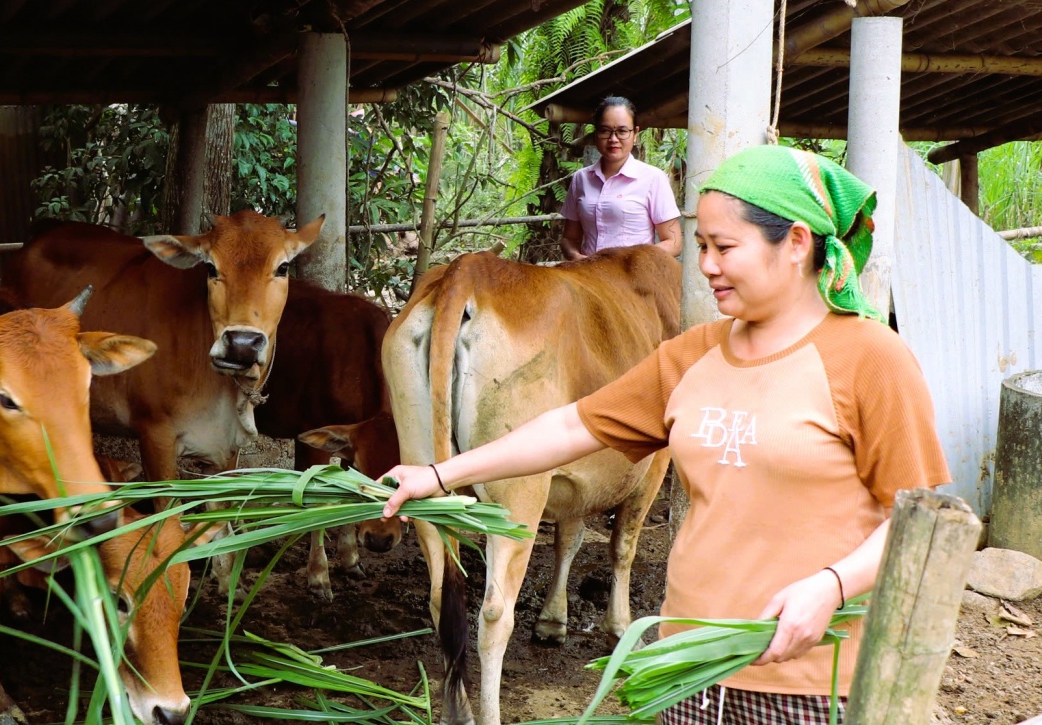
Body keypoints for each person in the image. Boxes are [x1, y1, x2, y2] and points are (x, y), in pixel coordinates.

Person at [380, 144, 951, 724]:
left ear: (797, 243)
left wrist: (832, 585)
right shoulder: (694, 354)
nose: (705, 266)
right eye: (700, 246)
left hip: (813, 683)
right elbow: (571, 425)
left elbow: (921, 518)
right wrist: (438, 474)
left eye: (724, 247)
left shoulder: (871, 358)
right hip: (687, 669)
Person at [559, 96, 683, 260]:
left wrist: (629, 263)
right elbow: (569, 238)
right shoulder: (580, 179)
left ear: (635, 134)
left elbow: (674, 243)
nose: (613, 139)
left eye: (622, 131)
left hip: (634, 275)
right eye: (605, 130)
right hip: (588, 273)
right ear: (596, 133)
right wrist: (577, 258)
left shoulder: (653, 179)